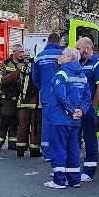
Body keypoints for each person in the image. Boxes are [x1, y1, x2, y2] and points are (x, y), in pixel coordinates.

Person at [42, 47, 88, 189]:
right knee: (73, 148)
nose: (59, 57)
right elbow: (87, 96)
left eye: (62, 55)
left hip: (60, 118)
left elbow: (60, 96)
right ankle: (74, 179)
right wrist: (80, 110)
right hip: (75, 120)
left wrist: (72, 110)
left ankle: (59, 180)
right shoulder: (82, 75)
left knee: (58, 148)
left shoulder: (61, 74)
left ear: (68, 58)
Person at [29, 33, 65, 163]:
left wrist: (43, 87)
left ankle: (47, 153)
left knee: (47, 124)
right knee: (61, 124)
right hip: (61, 96)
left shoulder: (39, 57)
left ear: (48, 42)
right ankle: (59, 151)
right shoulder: (63, 55)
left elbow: (35, 78)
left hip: (45, 96)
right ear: (58, 42)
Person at [76, 37, 99, 182]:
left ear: (87, 49)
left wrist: (93, 107)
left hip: (88, 108)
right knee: (73, 138)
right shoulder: (78, 63)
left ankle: (89, 171)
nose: (77, 51)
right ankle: (72, 168)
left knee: (90, 140)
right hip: (77, 108)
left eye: (78, 49)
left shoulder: (98, 65)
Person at [0, 44, 28, 151]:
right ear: (14, 52)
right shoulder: (5, 64)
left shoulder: (25, 64)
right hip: (7, 97)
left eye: (23, 51)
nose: (22, 54)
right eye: (20, 52)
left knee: (16, 120)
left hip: (20, 97)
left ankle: (13, 142)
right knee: (5, 119)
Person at [15, 46, 44, 158]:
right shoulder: (40, 68)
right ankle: (34, 150)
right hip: (36, 103)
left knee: (22, 126)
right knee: (36, 126)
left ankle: (20, 150)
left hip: (23, 101)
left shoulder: (23, 67)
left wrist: (0, 80)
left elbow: (12, 77)